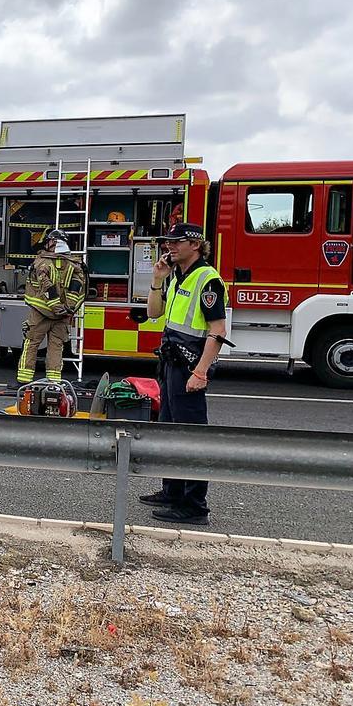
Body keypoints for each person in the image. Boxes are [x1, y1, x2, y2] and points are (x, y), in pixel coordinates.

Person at [139, 222, 229, 525]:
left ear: (195, 244)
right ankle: (173, 491)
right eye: (168, 242)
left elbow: (218, 330)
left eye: (177, 242)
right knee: (168, 431)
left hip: (189, 365)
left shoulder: (208, 279)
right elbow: (153, 314)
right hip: (171, 363)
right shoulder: (177, 275)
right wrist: (156, 279)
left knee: (190, 437)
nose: (170, 247)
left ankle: (194, 506)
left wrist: (201, 372)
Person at [15, 228, 85, 386]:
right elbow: (78, 288)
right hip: (62, 315)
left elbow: (45, 286)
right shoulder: (74, 264)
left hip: (42, 312)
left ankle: (23, 381)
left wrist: (55, 306)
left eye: (48, 241)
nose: (46, 243)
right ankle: (54, 382)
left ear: (54, 242)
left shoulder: (42, 262)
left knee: (31, 343)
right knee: (56, 347)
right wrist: (68, 308)